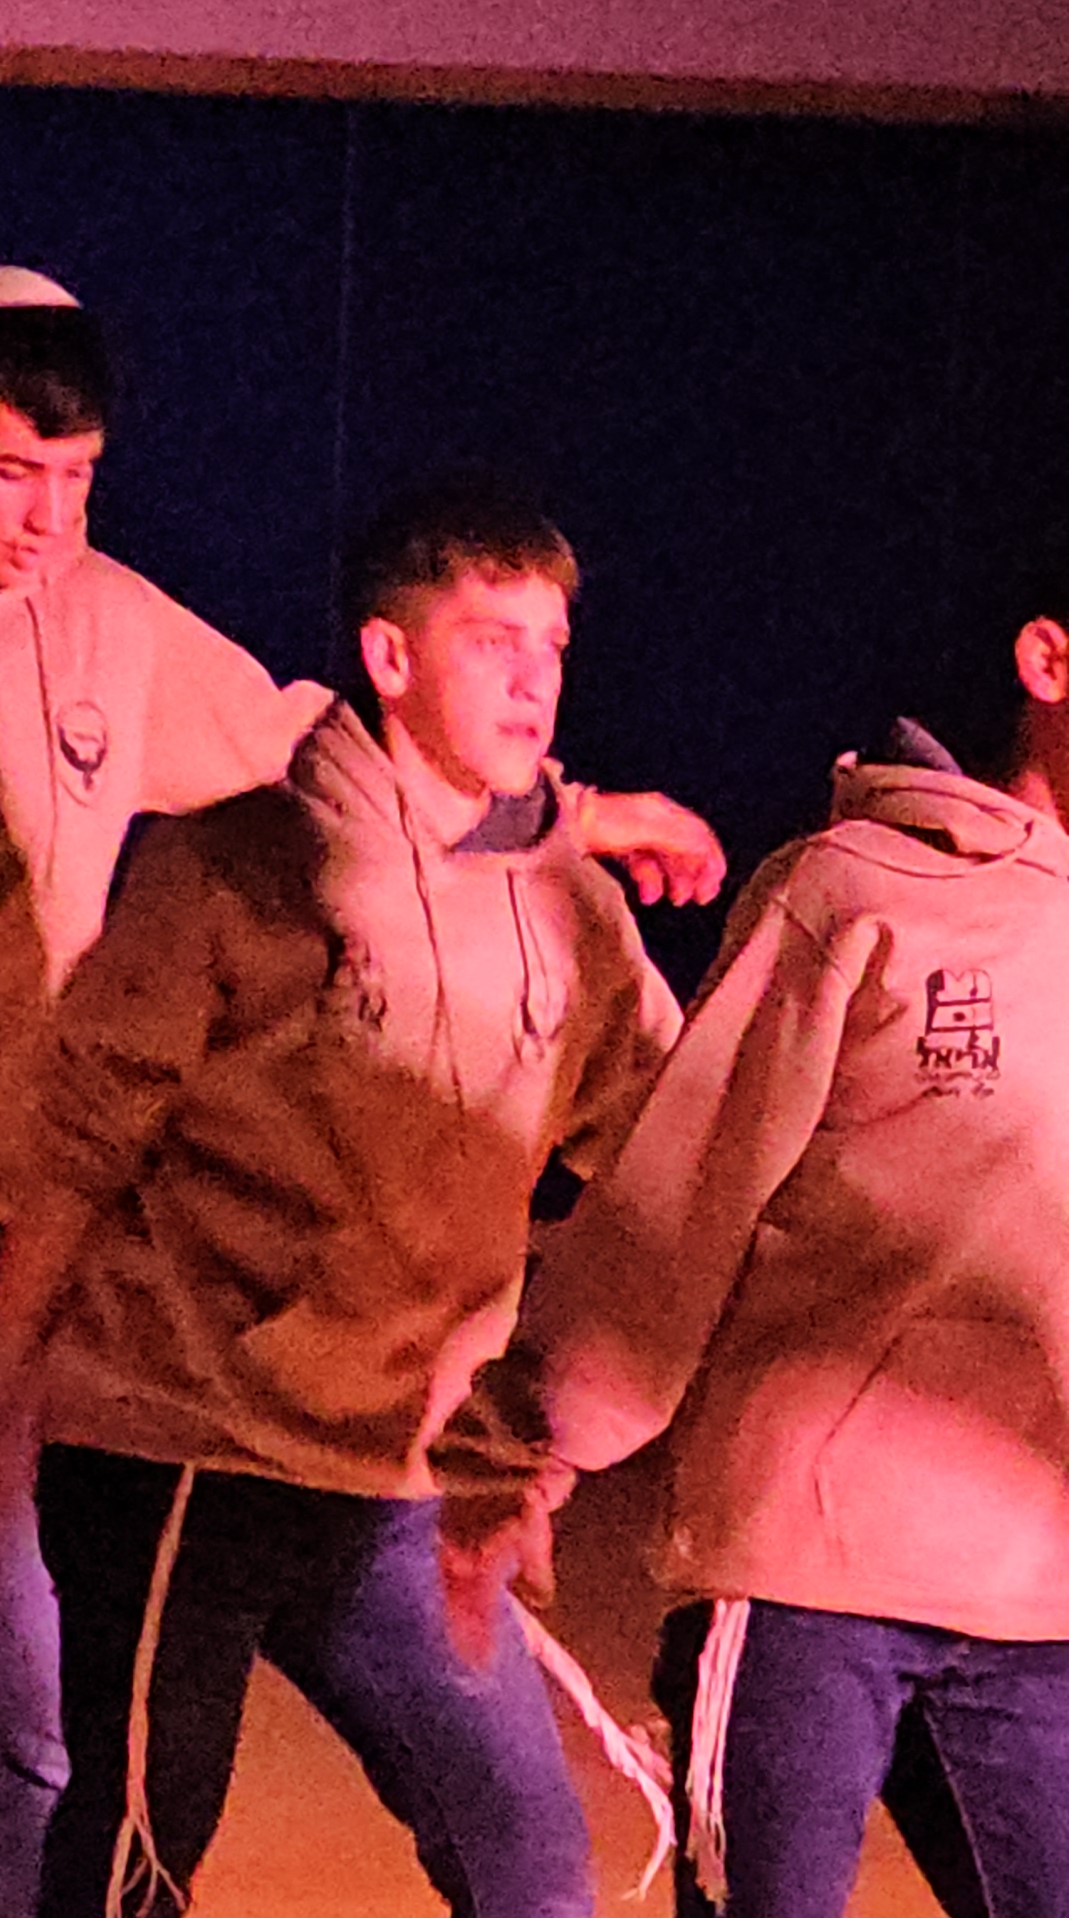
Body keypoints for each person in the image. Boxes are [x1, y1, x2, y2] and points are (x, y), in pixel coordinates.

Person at [0, 268, 724, 1918]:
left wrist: (574, 817)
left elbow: (345, 749)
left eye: (80, 476)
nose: (50, 514)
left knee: (36, 1711)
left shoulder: (111, 623)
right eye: (13, 471)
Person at [0, 477, 682, 1918]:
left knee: (533, 1868)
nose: (532, 678)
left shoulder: (573, 912)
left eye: (550, 644)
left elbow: (665, 1164)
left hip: (402, 1485)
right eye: (490, 641)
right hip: (183, 1452)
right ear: (388, 656)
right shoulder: (234, 866)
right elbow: (77, 1146)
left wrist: (526, 1460)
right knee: (131, 1870)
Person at [443, 569, 1069, 1918]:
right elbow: (683, 1194)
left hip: (1040, 1594)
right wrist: (528, 1445)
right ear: (1047, 662)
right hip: (802, 1572)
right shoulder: (852, 890)